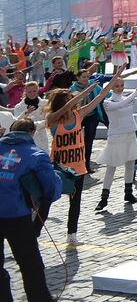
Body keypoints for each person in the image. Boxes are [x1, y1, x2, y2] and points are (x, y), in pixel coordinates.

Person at [0, 117, 62, 302]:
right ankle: (39, 300)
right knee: (30, 263)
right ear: (32, 133)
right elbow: (51, 188)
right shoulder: (35, 154)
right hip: (17, 215)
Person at [44, 76, 113, 245]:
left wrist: (116, 76)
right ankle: (35, 230)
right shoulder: (52, 119)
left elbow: (99, 97)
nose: (73, 103)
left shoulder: (78, 114)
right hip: (58, 167)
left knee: (75, 202)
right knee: (47, 200)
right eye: (69, 100)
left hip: (77, 167)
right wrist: (85, 91)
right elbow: (65, 107)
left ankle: (72, 234)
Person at [94, 71, 137, 211]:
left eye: (121, 85)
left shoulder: (128, 97)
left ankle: (128, 193)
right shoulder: (108, 102)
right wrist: (135, 93)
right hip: (116, 137)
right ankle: (104, 198)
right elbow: (122, 104)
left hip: (130, 135)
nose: (120, 88)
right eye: (117, 86)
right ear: (111, 88)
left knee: (130, 164)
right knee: (111, 167)